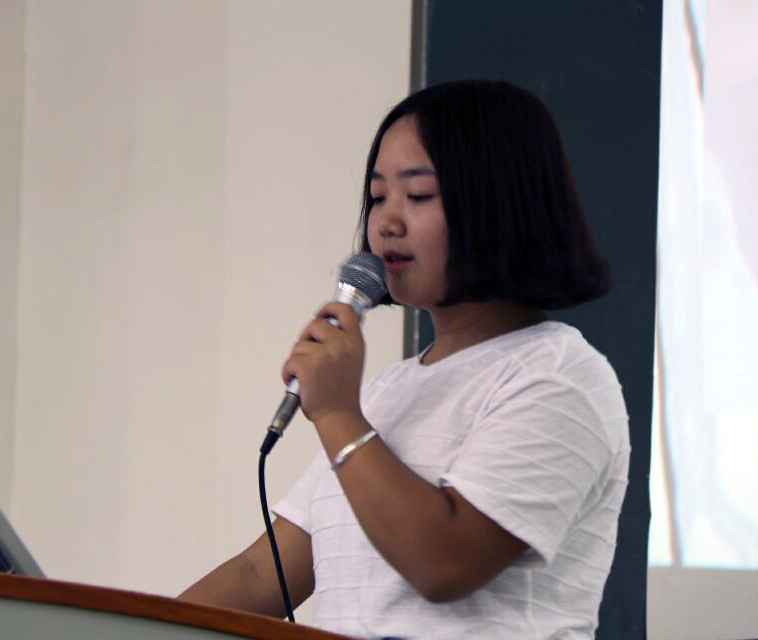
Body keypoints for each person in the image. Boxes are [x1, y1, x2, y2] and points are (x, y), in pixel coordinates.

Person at [179, 80, 629, 640]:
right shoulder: (385, 393)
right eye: (377, 197)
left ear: (498, 204)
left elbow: (445, 563)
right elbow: (262, 574)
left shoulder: (560, 376)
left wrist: (338, 414)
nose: (387, 222)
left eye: (418, 196)